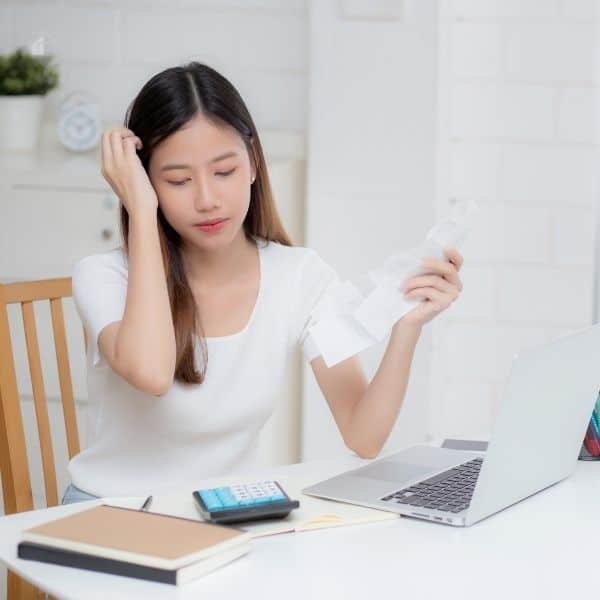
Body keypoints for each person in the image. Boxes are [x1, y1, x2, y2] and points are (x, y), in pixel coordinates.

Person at [60, 62, 463, 505]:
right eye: (177, 180)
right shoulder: (104, 277)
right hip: (109, 513)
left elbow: (363, 435)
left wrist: (407, 327)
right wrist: (139, 209)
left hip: (220, 515)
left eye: (225, 171)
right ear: (145, 182)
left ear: (253, 162)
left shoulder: (299, 276)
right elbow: (153, 373)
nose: (207, 199)